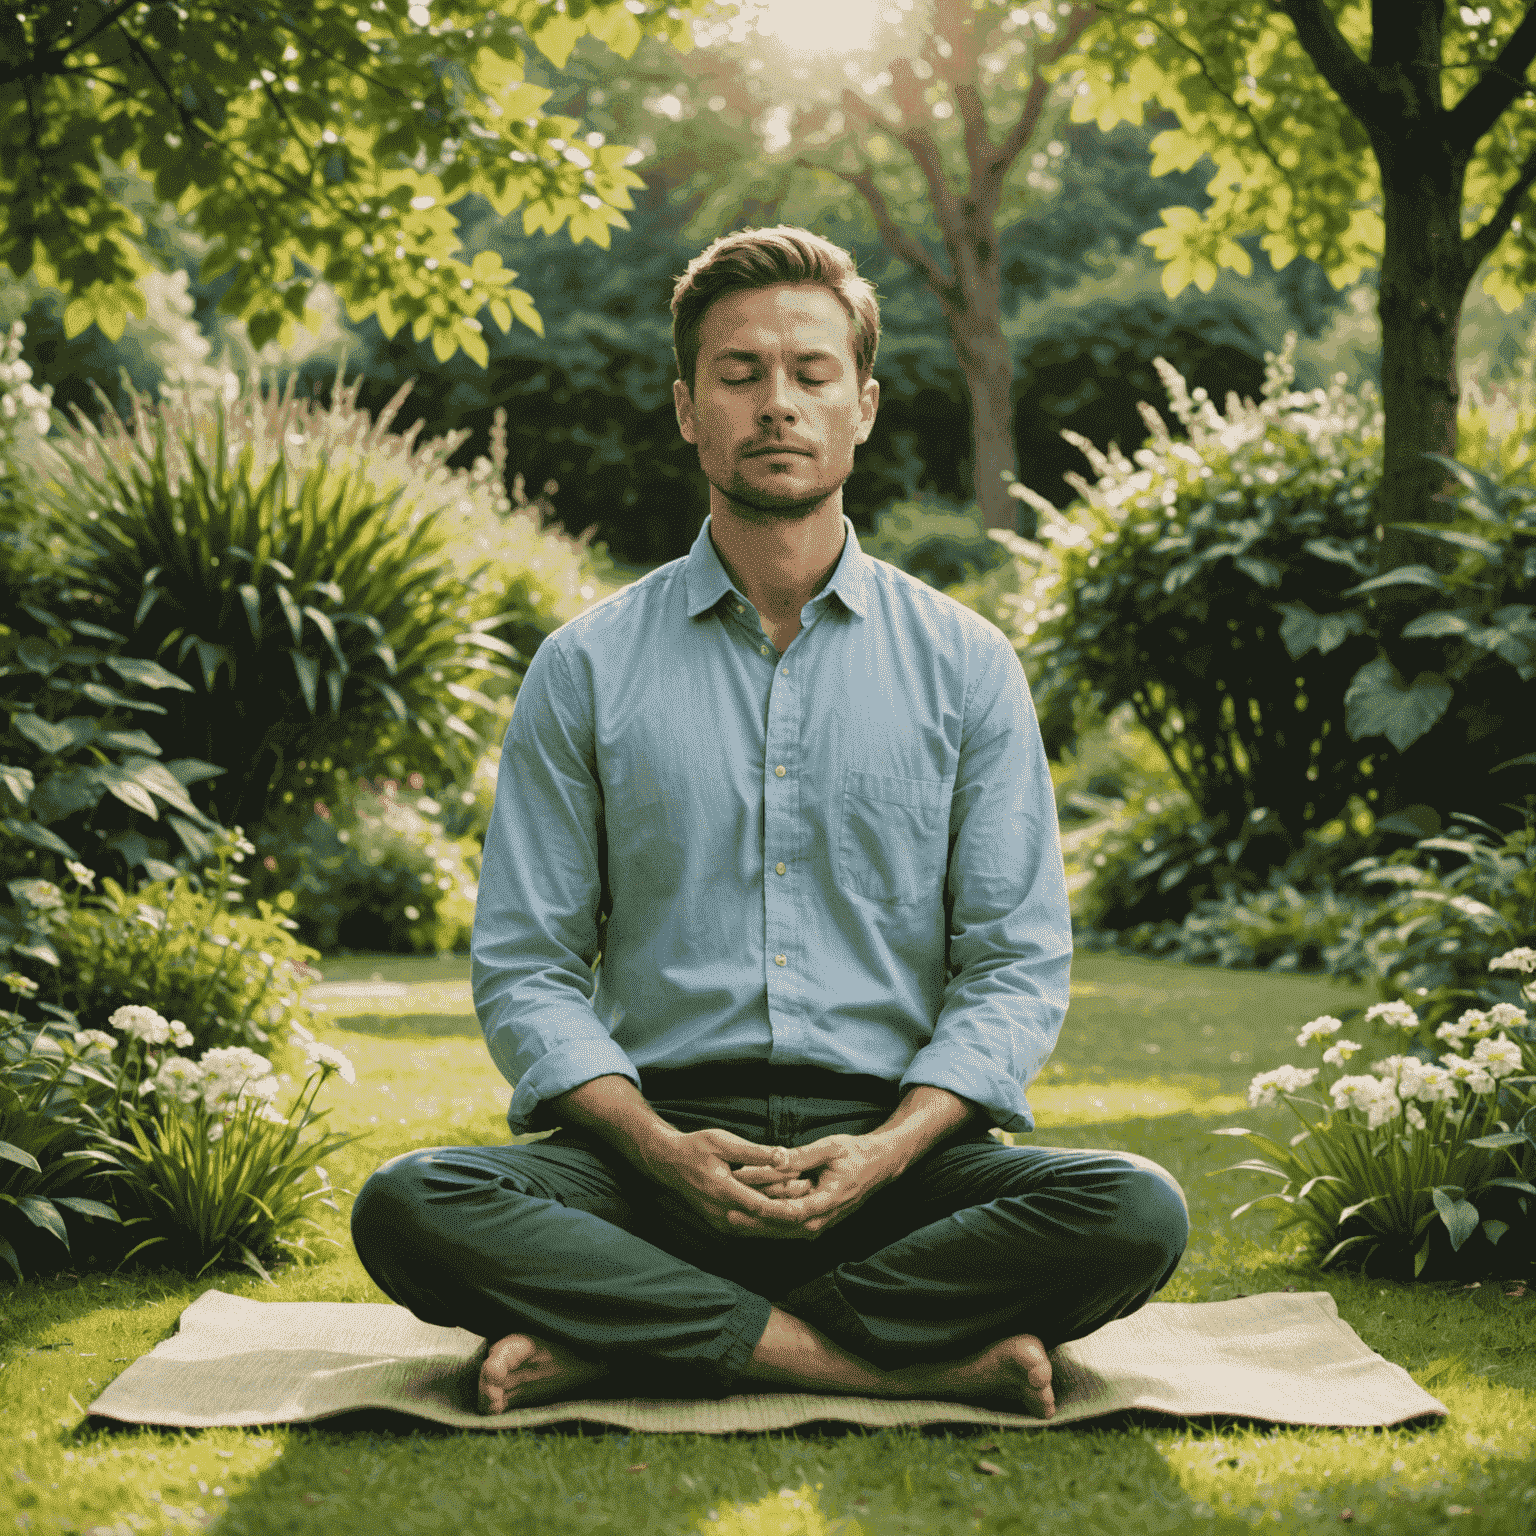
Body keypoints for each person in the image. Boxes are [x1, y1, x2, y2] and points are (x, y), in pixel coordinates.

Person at [350, 226, 1188, 1419]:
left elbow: (1013, 964)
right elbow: (528, 967)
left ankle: (632, 1334)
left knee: (1134, 1210)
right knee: (411, 1203)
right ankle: (876, 1356)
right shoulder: (584, 666)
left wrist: (892, 1149)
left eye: (811, 373)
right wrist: (657, 1149)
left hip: (898, 1163)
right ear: (688, 408)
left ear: (865, 404)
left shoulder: (967, 666)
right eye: (740, 374)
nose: (777, 404)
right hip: (647, 1158)